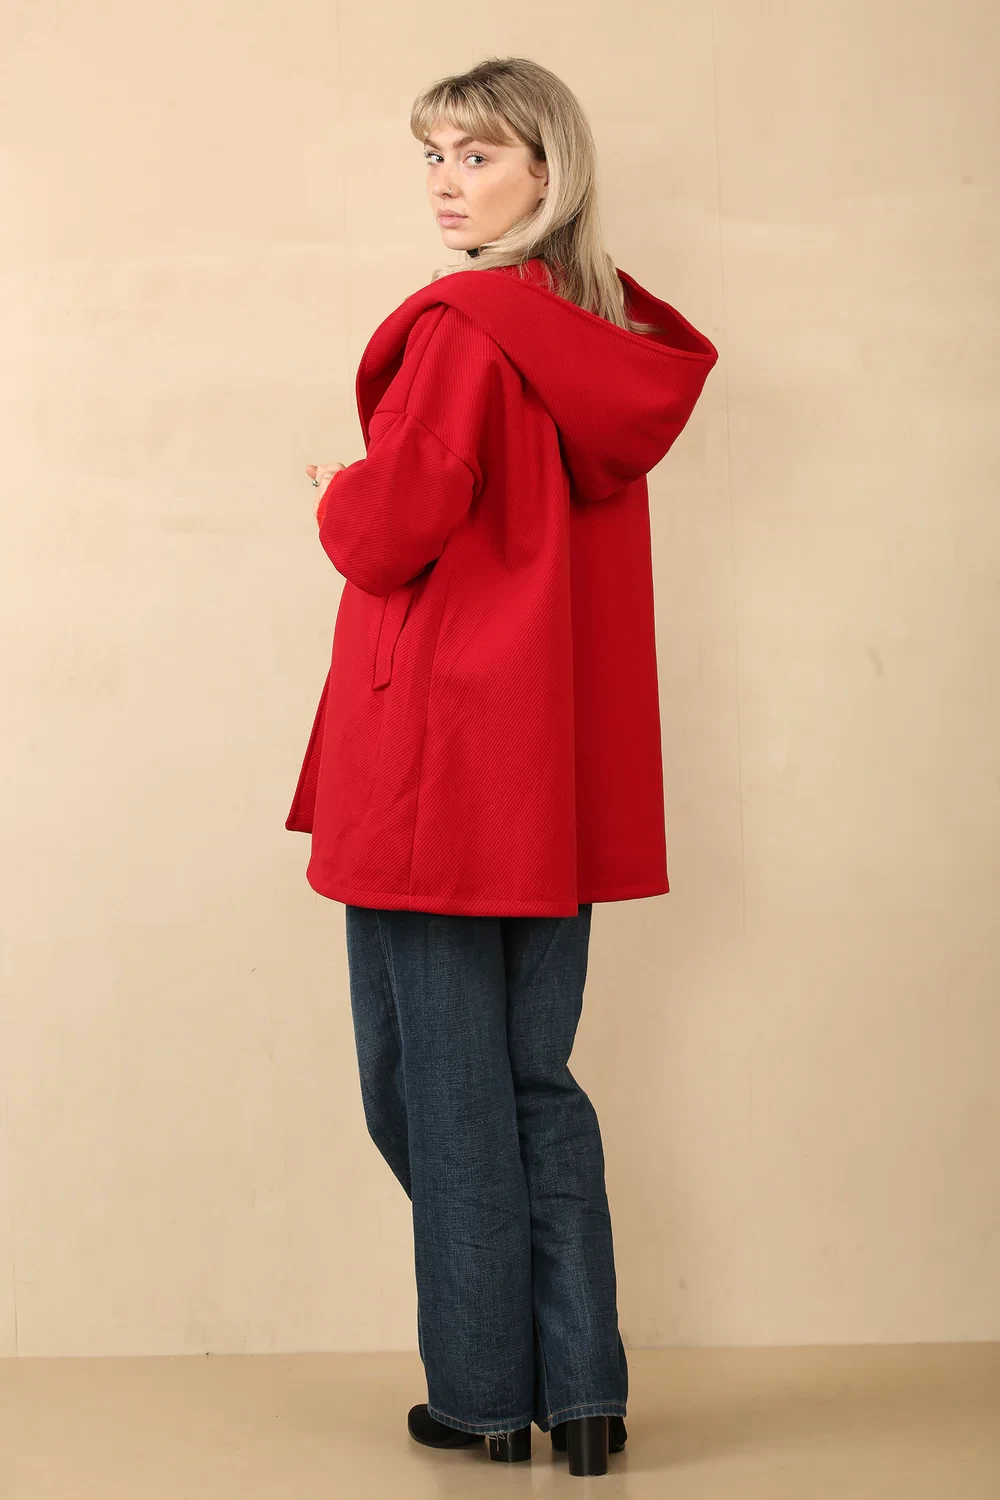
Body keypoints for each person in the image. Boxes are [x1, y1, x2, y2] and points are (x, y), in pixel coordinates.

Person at [286, 55, 718, 1478]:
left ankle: (482, 1392)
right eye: (433, 155)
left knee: (432, 1087)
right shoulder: (593, 333)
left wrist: (338, 493)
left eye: (477, 155)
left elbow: (389, 531)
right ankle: (580, 1388)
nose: (446, 183)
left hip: (437, 766)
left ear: (549, 168)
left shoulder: (464, 331)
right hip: (550, 777)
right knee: (533, 1077)